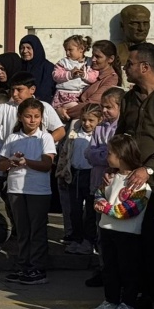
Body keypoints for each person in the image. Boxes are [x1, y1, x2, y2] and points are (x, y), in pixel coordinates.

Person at [89, 135, 151, 309]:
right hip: (107, 229)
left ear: (122, 155)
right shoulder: (111, 177)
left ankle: (129, 305)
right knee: (110, 268)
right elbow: (100, 193)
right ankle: (111, 300)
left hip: (128, 233)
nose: (107, 157)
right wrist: (100, 201)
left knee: (128, 270)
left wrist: (106, 208)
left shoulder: (140, 184)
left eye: (110, 153)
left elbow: (130, 209)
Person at [116, 43, 154, 309]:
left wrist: (149, 169)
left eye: (129, 64)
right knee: (132, 243)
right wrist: (116, 165)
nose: (125, 68)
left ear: (144, 66)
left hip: (152, 181)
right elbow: (122, 136)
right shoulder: (129, 99)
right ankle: (137, 296)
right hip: (130, 183)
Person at [0, 99, 58, 285]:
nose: (32, 120)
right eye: (28, 116)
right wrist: (12, 161)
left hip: (37, 191)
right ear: (20, 117)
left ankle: (37, 267)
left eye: (36, 117)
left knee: (37, 230)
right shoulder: (12, 138)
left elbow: (47, 164)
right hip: (16, 188)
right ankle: (23, 265)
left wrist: (27, 162)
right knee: (22, 229)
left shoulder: (45, 138)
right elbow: (1, 164)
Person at [85, 87, 125, 287]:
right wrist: (105, 155)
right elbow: (89, 153)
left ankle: (117, 271)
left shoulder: (122, 128)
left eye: (109, 107)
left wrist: (105, 155)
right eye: (103, 107)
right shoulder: (100, 128)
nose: (105, 111)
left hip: (117, 188)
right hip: (98, 185)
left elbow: (118, 157)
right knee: (100, 232)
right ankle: (103, 268)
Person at [58, 106, 101, 255]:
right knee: (74, 210)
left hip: (91, 175)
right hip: (75, 174)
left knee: (90, 211)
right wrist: (62, 173)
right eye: (84, 119)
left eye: (91, 120)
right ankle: (76, 238)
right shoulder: (74, 133)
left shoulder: (99, 136)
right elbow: (65, 154)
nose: (87, 123)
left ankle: (89, 241)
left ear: (99, 120)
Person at [63, 40, 122, 122]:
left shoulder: (111, 79)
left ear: (111, 59)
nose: (93, 59)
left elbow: (92, 105)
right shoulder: (88, 71)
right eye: (93, 55)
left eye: (98, 57)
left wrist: (64, 112)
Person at [53, 35, 98, 114]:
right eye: (66, 50)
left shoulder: (89, 63)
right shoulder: (64, 62)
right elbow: (56, 75)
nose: (67, 53)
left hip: (79, 96)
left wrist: (84, 75)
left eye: (70, 50)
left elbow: (94, 77)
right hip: (63, 95)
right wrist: (69, 74)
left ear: (81, 49)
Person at [19, 35, 57, 105]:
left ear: (36, 49)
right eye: (22, 48)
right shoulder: (19, 66)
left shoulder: (48, 68)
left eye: (28, 48)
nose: (25, 51)